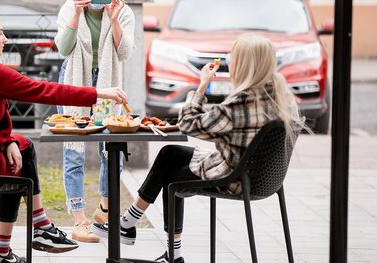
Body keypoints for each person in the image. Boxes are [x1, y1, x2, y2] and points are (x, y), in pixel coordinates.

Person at [91, 34, 306, 263]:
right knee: (170, 153)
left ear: (244, 65)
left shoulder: (239, 104)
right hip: (264, 178)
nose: (229, 63)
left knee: (171, 177)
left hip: (234, 178)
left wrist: (201, 86)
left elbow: (188, 125)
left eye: (232, 59)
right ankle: (128, 223)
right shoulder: (282, 97)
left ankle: (171, 254)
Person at [0, 12, 128, 263]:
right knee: (23, 155)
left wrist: (7, 142)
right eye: (0, 32)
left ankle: (16, 244)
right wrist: (99, 92)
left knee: (20, 149)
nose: (5, 39)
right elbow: (42, 90)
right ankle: (37, 228)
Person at [54, 0, 135, 243]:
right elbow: (63, 48)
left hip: (107, 84)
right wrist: (76, 14)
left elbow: (124, 53)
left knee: (111, 147)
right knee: (74, 148)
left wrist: (113, 19)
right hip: (76, 80)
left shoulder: (123, 12)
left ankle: (104, 209)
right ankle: (78, 219)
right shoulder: (69, 8)